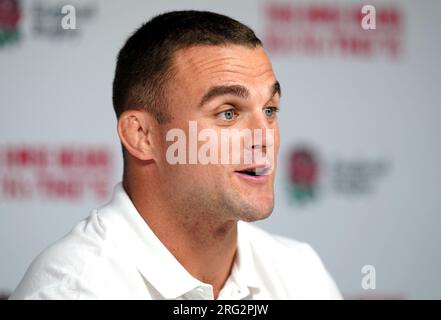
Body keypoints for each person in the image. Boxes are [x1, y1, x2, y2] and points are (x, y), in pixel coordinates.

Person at [10, 10, 342, 300]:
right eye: (228, 113)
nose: (264, 136)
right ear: (142, 136)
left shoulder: (301, 273)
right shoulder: (73, 291)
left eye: (270, 110)